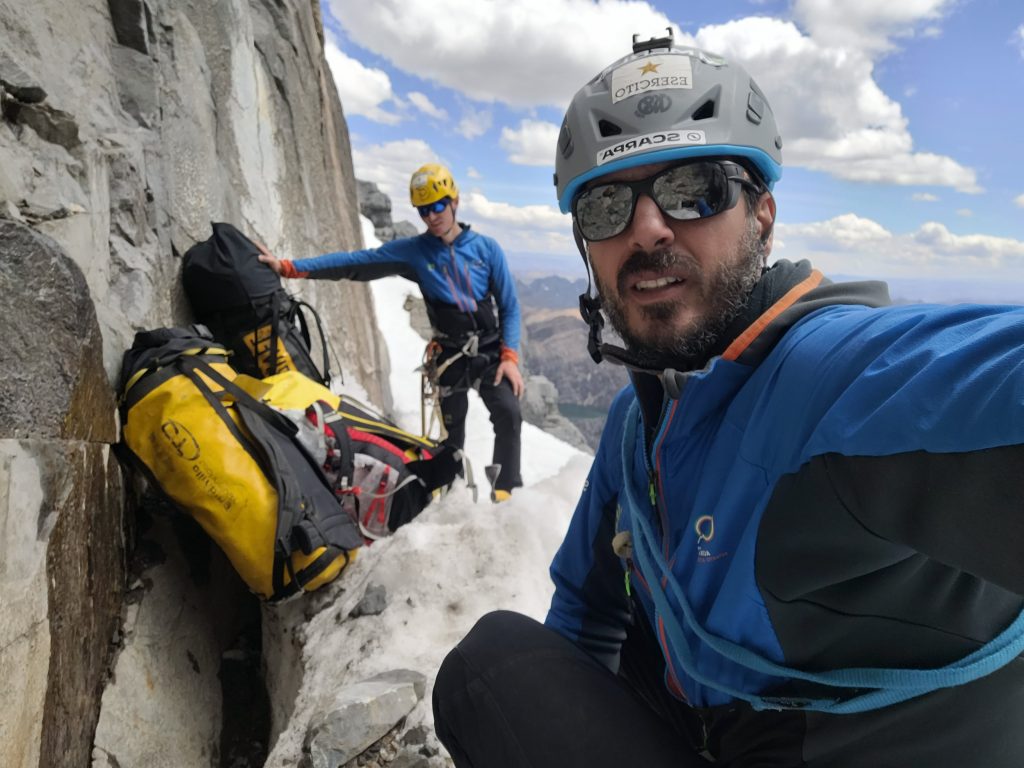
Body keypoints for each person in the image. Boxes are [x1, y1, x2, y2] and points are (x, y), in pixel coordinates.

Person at [432, 31, 1024, 767]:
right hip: (720, 724)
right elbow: (585, 612)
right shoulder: (634, 423)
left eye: (694, 190)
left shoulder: (834, 382)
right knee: (491, 667)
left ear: (762, 217)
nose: (647, 228)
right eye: (607, 206)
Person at [258, 163, 524, 502]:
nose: (431, 216)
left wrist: (510, 356)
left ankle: (506, 495)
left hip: (488, 352)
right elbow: (355, 263)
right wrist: (291, 268)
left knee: (509, 413)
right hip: (450, 357)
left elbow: (510, 305)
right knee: (452, 436)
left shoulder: (486, 249)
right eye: (424, 209)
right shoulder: (415, 251)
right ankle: (453, 497)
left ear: (454, 201)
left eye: (438, 205)